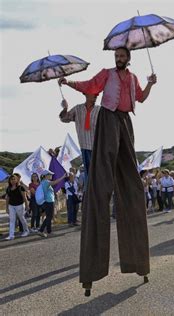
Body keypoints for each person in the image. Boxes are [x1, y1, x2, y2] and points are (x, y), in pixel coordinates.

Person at [58, 46, 157, 294]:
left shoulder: (132, 78)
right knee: (99, 185)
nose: (119, 59)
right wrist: (68, 82)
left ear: (129, 58)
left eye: (122, 56)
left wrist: (150, 84)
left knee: (131, 186)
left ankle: (138, 262)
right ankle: (92, 271)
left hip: (125, 122)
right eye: (117, 56)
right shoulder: (106, 74)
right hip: (109, 120)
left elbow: (141, 98)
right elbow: (90, 86)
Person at [59, 93, 100, 182]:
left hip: (98, 147)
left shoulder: (99, 109)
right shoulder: (78, 109)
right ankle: (90, 193)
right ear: (86, 95)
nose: (96, 96)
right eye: (94, 94)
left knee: (99, 173)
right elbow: (64, 118)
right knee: (90, 175)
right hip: (85, 146)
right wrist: (65, 108)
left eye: (97, 95)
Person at [37, 170, 67, 237]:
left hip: (48, 202)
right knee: (49, 217)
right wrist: (63, 177)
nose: (51, 175)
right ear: (46, 175)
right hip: (48, 202)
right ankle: (48, 232)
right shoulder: (46, 182)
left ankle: (42, 231)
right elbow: (55, 182)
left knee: (48, 217)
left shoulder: (44, 182)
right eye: (50, 174)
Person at [4, 174, 30, 241]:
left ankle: (26, 231)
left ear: (17, 180)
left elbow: (24, 198)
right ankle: (11, 235)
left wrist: (27, 206)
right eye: (11, 179)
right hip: (11, 206)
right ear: (9, 180)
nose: (13, 181)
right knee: (12, 220)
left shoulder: (21, 187)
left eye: (14, 179)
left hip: (20, 205)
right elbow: (7, 199)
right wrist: (6, 208)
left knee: (21, 218)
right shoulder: (8, 188)